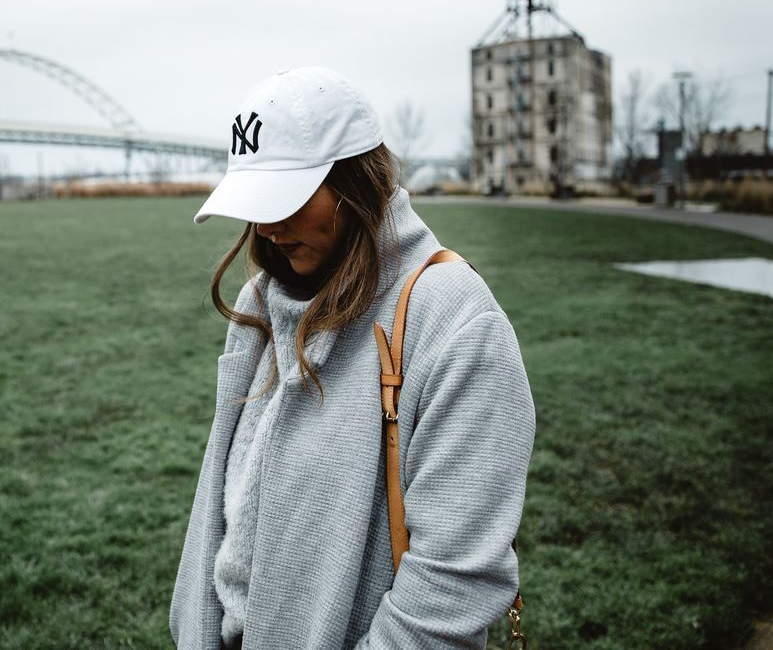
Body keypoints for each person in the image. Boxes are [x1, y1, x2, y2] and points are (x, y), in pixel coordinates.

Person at [169, 67, 536, 650]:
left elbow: (454, 587)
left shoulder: (455, 320)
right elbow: (223, 516)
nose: (266, 226)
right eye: (254, 202)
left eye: (286, 198)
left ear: (356, 182)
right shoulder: (262, 299)